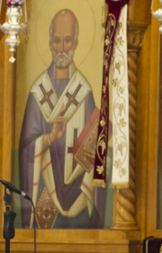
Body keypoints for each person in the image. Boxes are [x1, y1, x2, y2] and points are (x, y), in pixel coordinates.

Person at [18, 9, 103, 229]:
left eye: (67, 41)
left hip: (79, 196)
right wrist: (50, 138)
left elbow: (95, 144)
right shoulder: (38, 92)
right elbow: (26, 148)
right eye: (57, 41)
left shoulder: (84, 90)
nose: (62, 48)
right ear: (49, 42)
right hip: (46, 193)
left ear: (75, 43)